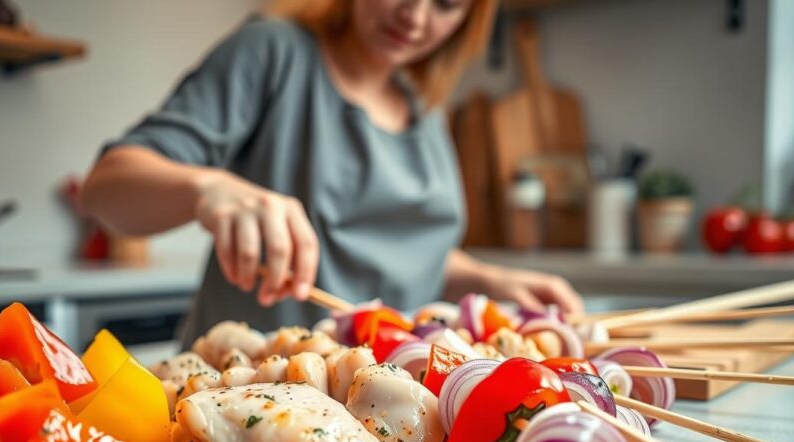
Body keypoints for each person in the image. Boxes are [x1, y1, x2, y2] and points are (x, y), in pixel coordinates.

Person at [82, 0, 583, 347]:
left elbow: (397, 252)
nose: (414, 16)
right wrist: (208, 188)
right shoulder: (271, 51)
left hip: (381, 414)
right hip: (249, 398)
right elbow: (104, 189)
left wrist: (484, 277)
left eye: (446, 4)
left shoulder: (422, 104)